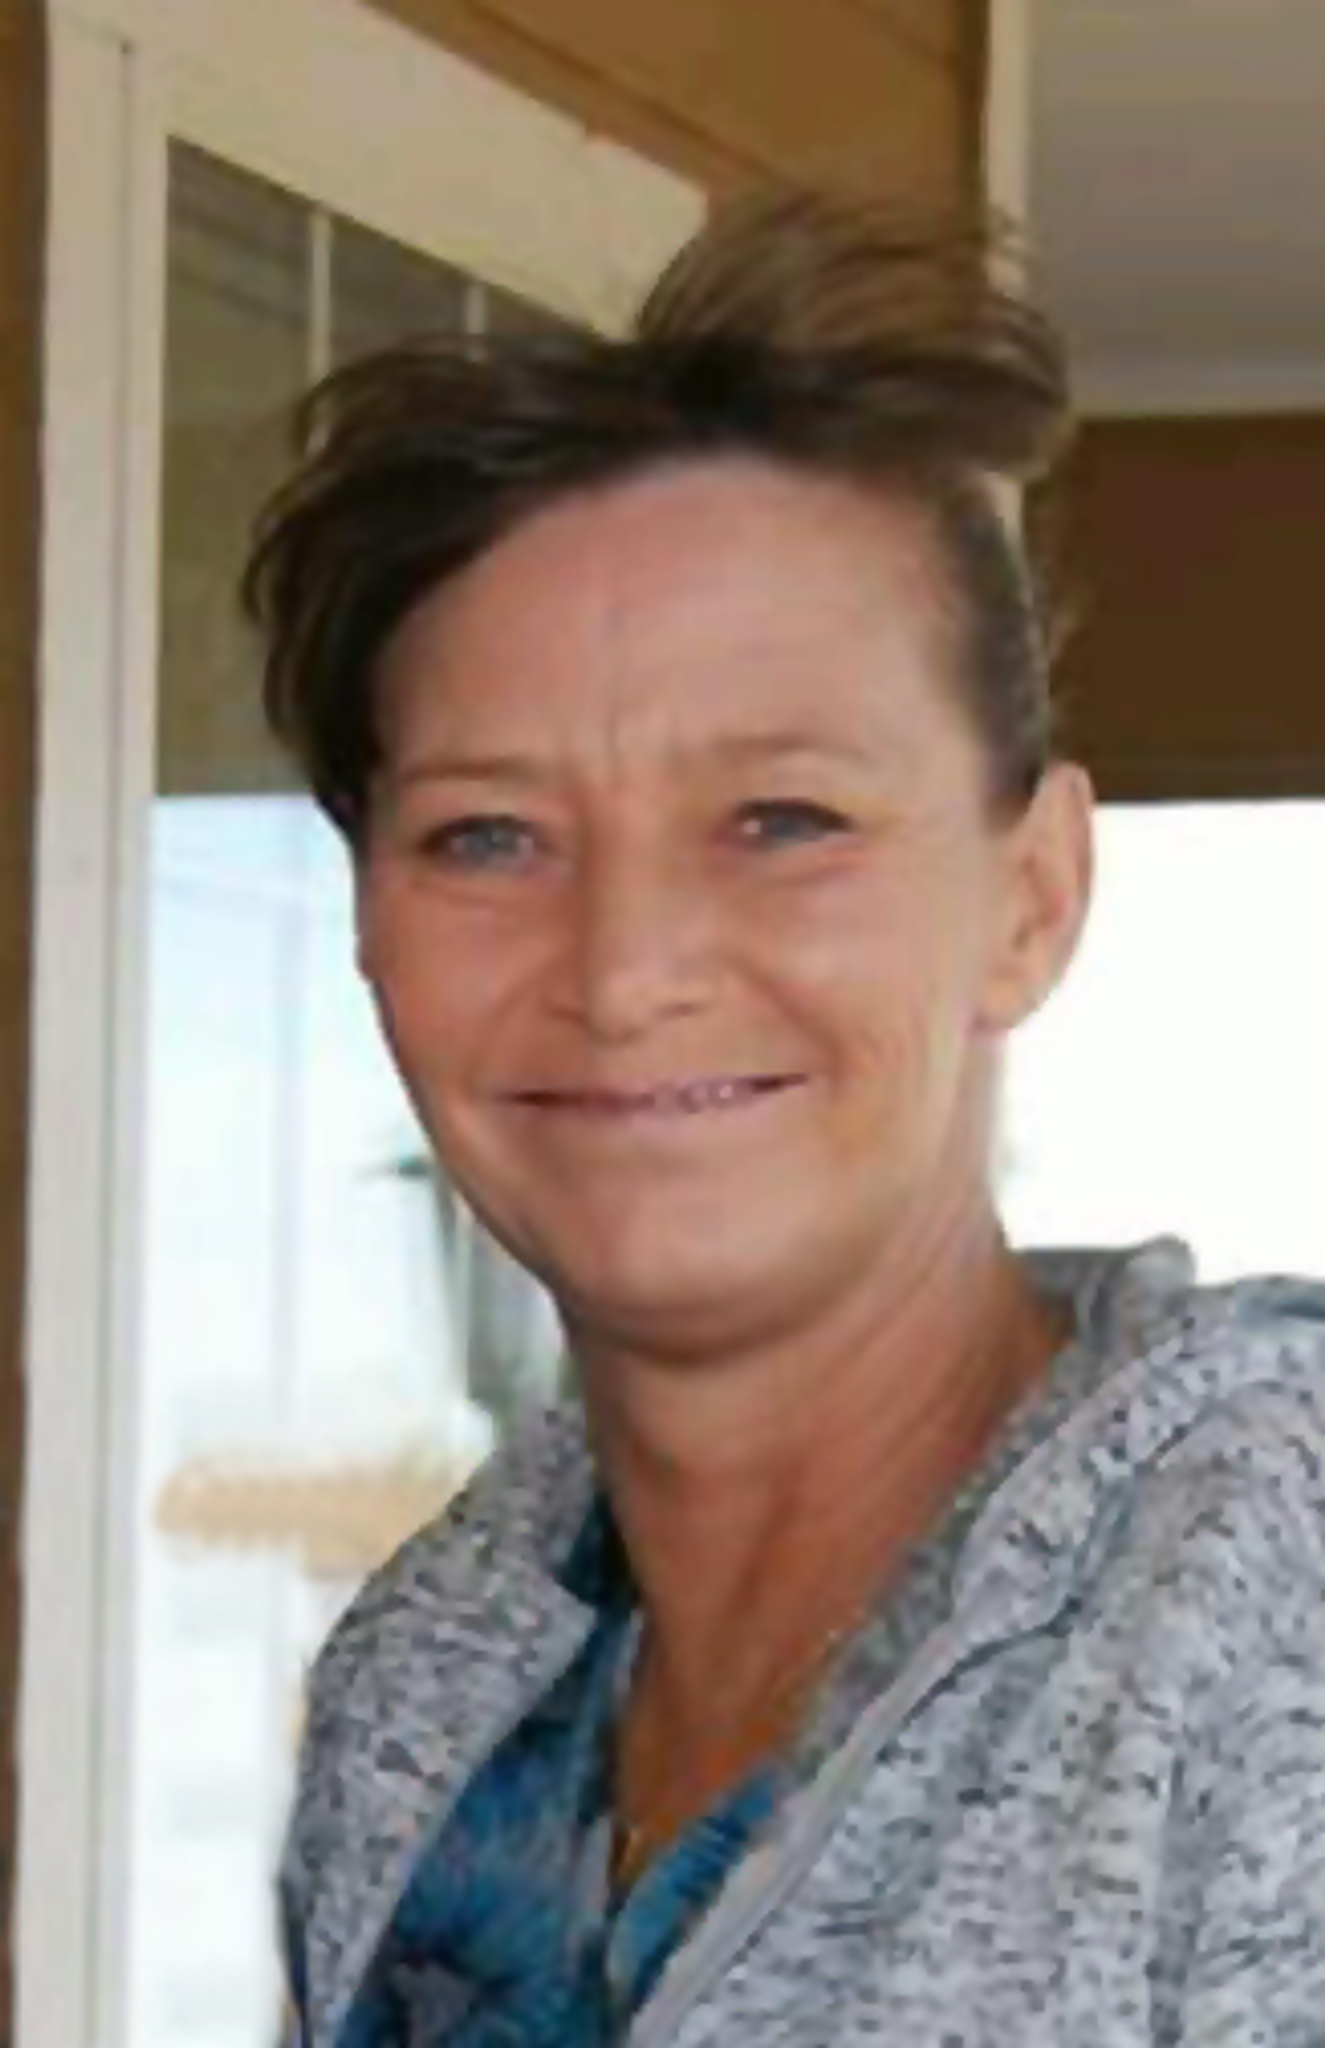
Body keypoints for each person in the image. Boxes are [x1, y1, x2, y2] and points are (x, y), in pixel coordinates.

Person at [244, 194, 1325, 2046]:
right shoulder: (425, 1692)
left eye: (781, 820)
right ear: (367, 921)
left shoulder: (1265, 1591)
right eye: (487, 836)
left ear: (1034, 896)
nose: (625, 968)